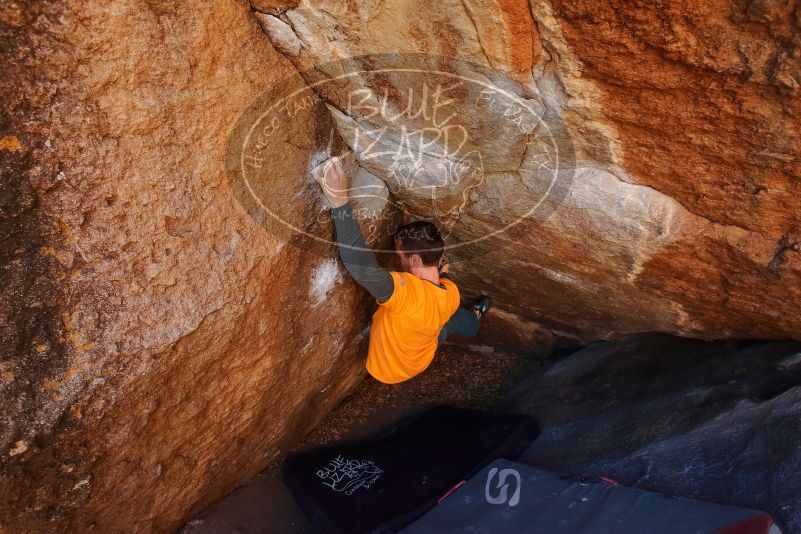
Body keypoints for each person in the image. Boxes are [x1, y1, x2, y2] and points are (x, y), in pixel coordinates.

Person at [313, 154, 491, 384]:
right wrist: (443, 273)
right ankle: (476, 318)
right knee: (455, 317)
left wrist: (340, 203)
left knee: (449, 318)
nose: (398, 261)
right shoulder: (451, 292)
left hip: (389, 371)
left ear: (415, 260)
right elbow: (442, 281)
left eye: (400, 256)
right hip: (425, 350)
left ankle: (474, 318)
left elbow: (363, 269)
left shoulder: (408, 296)